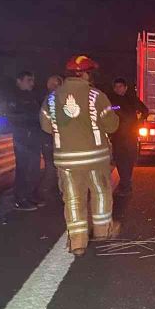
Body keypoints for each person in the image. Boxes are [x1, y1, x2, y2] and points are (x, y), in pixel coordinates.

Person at [40, 55, 120, 256]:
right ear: (86, 74)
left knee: (73, 199)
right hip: (95, 158)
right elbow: (112, 124)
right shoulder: (96, 96)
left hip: (66, 160)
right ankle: (103, 232)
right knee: (101, 193)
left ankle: (77, 242)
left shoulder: (51, 98)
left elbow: (46, 126)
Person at [8, 71, 43, 211]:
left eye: (32, 80)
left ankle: (30, 195)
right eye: (29, 80)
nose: (31, 83)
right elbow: (14, 117)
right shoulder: (13, 97)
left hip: (33, 136)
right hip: (23, 138)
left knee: (33, 168)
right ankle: (20, 198)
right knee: (23, 168)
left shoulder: (32, 96)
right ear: (19, 81)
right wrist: (32, 119)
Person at [109, 77, 149, 196]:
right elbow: (108, 109)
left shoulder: (132, 99)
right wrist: (116, 109)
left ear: (125, 88)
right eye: (116, 87)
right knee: (120, 160)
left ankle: (126, 185)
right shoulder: (111, 100)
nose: (118, 89)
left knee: (129, 160)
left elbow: (145, 110)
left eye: (120, 86)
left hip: (131, 134)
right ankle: (125, 184)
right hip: (117, 135)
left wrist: (139, 121)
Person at [39, 75, 64, 199]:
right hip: (52, 139)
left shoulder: (56, 100)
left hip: (57, 139)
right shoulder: (50, 100)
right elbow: (45, 122)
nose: (55, 87)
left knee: (58, 167)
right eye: (53, 85)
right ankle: (44, 193)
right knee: (53, 167)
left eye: (57, 84)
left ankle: (58, 191)